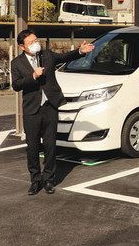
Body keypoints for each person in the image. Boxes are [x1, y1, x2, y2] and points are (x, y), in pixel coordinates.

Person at [11, 29, 94, 195]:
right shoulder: (17, 63)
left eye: (36, 40)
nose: (36, 44)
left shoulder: (46, 55)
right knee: (33, 147)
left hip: (50, 107)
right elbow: (16, 85)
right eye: (31, 42)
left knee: (50, 146)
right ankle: (35, 180)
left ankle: (49, 179)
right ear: (22, 47)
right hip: (32, 110)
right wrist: (33, 76)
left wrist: (79, 51)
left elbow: (64, 57)